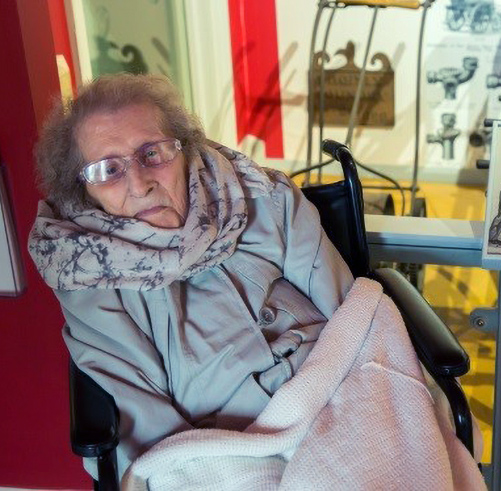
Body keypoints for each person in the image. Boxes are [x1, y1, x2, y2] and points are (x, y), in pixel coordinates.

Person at [28, 74, 354, 478]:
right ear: (84, 192)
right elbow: (151, 431)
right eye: (108, 169)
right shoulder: (88, 278)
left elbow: (352, 321)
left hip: (339, 393)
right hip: (231, 451)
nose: (140, 184)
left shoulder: (263, 197)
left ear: (185, 150)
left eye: (152, 153)